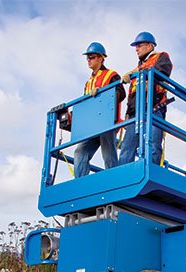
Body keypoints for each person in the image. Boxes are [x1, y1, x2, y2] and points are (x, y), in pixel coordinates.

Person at [119, 31, 173, 166]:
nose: (136, 49)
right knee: (127, 148)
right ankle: (122, 177)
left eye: (139, 45)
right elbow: (132, 94)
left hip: (154, 109)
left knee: (152, 145)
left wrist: (138, 72)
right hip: (135, 114)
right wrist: (127, 113)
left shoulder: (161, 57)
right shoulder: (139, 67)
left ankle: (152, 170)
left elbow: (162, 72)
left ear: (150, 46)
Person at [74, 42, 126, 178]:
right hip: (92, 126)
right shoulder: (88, 82)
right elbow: (85, 104)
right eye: (87, 58)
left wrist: (102, 93)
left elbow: (121, 93)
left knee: (109, 156)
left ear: (101, 58)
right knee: (80, 152)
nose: (88, 60)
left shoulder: (111, 75)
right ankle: (80, 184)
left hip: (106, 123)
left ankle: (114, 183)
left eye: (91, 57)